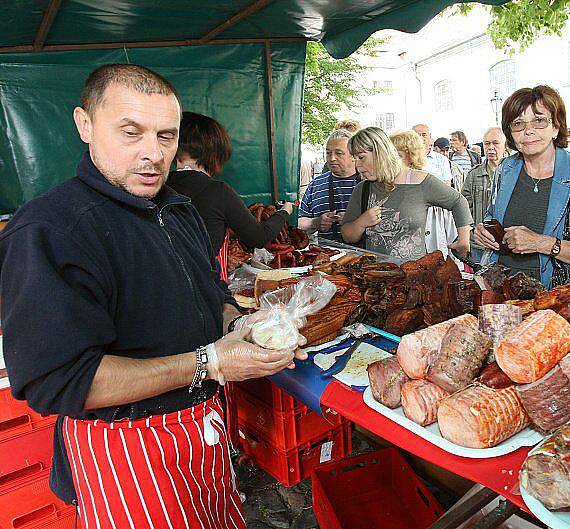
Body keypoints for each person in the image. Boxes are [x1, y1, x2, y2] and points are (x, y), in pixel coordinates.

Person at [0, 63, 305, 528]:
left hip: (203, 436)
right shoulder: (52, 230)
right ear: (85, 124)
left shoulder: (176, 209)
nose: (152, 154)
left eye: (166, 137)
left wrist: (243, 328)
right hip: (126, 451)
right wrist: (210, 363)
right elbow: (58, 380)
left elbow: (214, 291)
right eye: (131, 132)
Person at [473, 86, 570, 285]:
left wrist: (541, 243)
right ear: (510, 133)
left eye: (539, 120)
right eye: (518, 123)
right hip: (502, 293)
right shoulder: (506, 169)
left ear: (556, 127)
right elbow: (493, 217)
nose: (528, 131)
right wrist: (484, 232)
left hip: (552, 302)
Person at [168, 111, 292, 260]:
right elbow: (259, 237)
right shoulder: (218, 191)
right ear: (215, 153)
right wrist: (284, 212)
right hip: (200, 281)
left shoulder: (158, 187)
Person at [340, 127, 472, 261]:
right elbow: (347, 235)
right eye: (354, 158)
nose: (357, 165)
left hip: (415, 275)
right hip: (374, 276)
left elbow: (458, 201)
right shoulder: (362, 189)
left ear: (381, 153)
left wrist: (463, 240)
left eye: (361, 157)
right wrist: (361, 223)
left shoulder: (421, 181)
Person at [390, 130, 460, 259]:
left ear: (411, 156)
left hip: (431, 238)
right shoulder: (389, 181)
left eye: (398, 155)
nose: (392, 160)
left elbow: (458, 202)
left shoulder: (427, 179)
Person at [298, 129, 360, 242]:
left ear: (353, 155)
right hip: (326, 256)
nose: (332, 158)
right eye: (328, 153)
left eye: (339, 153)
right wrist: (315, 222)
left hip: (363, 256)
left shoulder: (366, 184)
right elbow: (298, 222)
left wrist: (355, 221)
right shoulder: (315, 185)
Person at [462, 127, 508, 261]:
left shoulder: (515, 173)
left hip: (507, 245)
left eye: (496, 143)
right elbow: (465, 206)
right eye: (487, 143)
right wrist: (473, 231)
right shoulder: (474, 174)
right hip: (480, 245)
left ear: (505, 146)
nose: (491, 147)